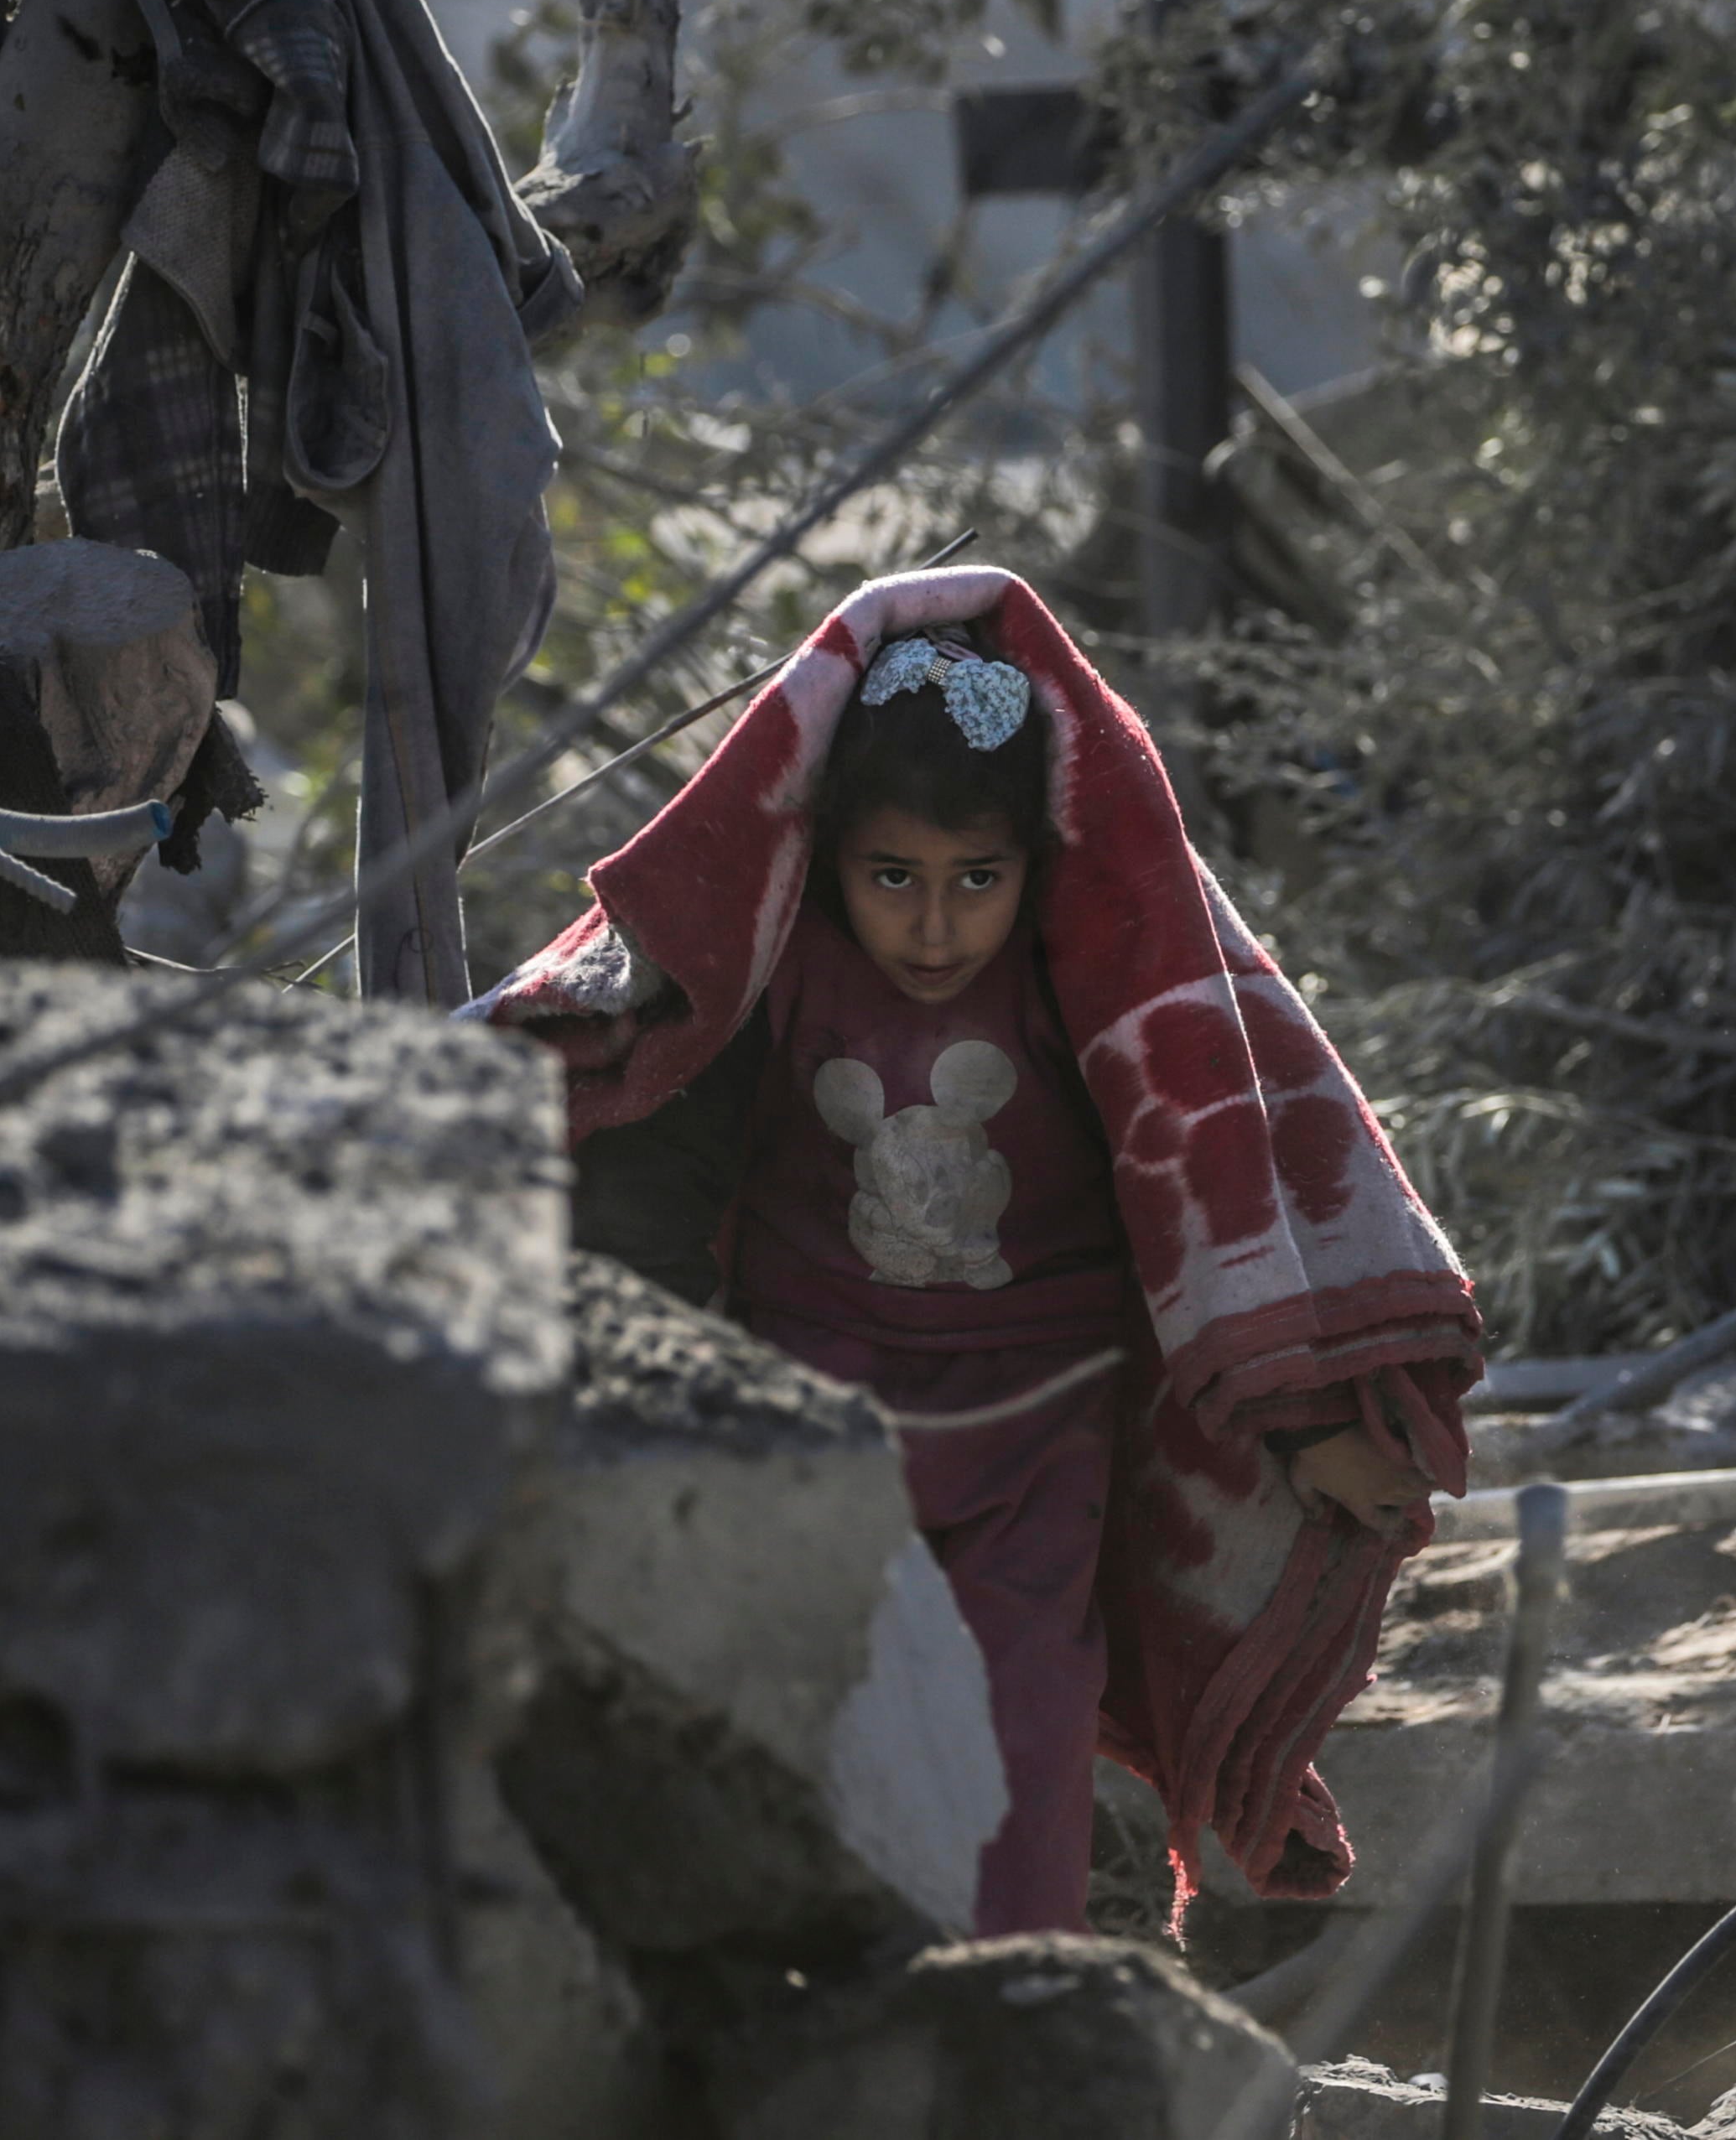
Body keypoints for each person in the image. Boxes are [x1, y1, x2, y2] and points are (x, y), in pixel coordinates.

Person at [474, 564, 1481, 1933]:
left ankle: (1003, 2046)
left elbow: (1208, 1211)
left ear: (1036, 861)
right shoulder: (762, 977)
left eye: (976, 878)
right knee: (810, 1753)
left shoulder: (1097, 981)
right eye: (893, 876)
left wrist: (1308, 1424)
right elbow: (646, 1192)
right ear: (827, 856)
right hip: (811, 1431)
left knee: (1018, 1773)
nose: (935, 924)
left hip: (1036, 1441)